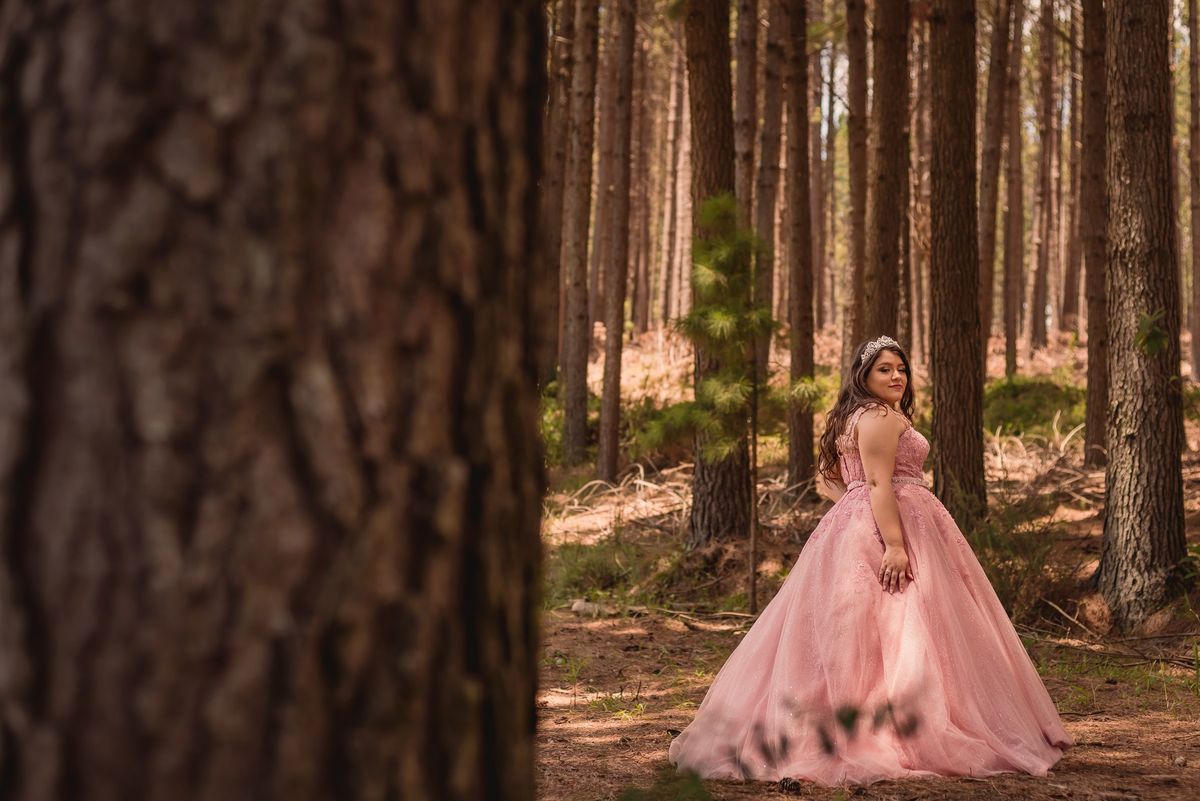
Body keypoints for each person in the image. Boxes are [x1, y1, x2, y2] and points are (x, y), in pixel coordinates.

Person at [667, 335, 1073, 786]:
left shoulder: (855, 416)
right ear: (864, 375)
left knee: (872, 628)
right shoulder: (878, 416)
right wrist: (894, 544)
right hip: (890, 525)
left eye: (901, 368)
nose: (896, 376)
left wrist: (851, 504)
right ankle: (893, 726)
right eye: (884, 369)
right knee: (898, 621)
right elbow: (879, 485)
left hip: (866, 522)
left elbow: (832, 479)